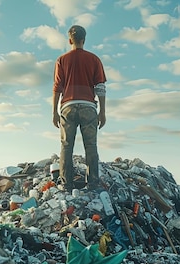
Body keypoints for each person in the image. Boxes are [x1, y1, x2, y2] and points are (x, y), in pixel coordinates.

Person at [52, 25, 107, 191]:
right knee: (91, 146)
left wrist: (54, 112)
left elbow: (57, 88)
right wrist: (102, 112)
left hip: (67, 106)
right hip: (88, 107)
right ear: (84, 40)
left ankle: (66, 185)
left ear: (70, 40)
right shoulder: (94, 59)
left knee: (66, 146)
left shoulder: (61, 60)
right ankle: (92, 184)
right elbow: (100, 88)